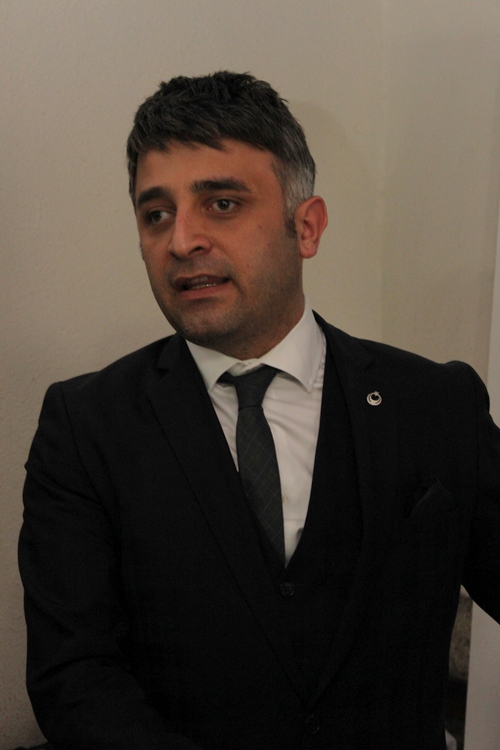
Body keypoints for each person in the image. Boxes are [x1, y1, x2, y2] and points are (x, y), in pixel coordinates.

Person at [19, 71, 500, 750]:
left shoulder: (435, 404)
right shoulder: (85, 427)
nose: (181, 240)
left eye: (221, 203)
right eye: (156, 214)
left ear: (306, 227)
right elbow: (76, 677)